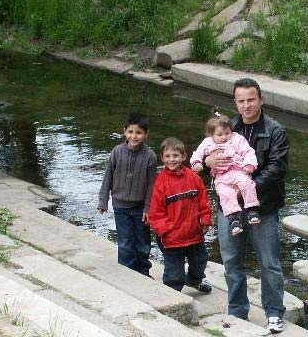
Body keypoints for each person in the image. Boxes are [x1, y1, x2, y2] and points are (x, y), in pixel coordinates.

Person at [202, 78, 289, 333]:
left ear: (261, 99)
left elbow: (277, 168)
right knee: (231, 261)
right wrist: (207, 162)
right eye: (241, 101)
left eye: (251, 99)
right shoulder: (224, 128)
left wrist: (246, 187)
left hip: (263, 207)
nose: (246, 105)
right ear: (235, 103)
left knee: (269, 263)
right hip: (228, 208)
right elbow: (208, 165)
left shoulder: (275, 131)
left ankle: (274, 312)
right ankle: (238, 311)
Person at [148, 137, 213, 293]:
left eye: (175, 156)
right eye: (168, 156)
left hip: (194, 233)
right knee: (174, 271)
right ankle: (173, 294)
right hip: (172, 238)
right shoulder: (160, 182)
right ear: (162, 158)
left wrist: (205, 220)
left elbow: (204, 202)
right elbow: (156, 213)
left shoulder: (193, 177)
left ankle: (194, 280)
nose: (172, 160)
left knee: (200, 261)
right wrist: (167, 230)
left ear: (184, 156)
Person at [98, 112, 157, 277]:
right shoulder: (117, 152)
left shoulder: (150, 156)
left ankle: (143, 271)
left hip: (140, 208)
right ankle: (127, 273)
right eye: (131, 132)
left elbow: (151, 185)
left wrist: (148, 208)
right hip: (120, 206)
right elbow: (108, 176)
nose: (134, 136)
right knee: (125, 241)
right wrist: (103, 200)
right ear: (125, 131)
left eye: (138, 132)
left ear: (146, 134)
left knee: (143, 242)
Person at [190, 114, 259, 236]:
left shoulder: (237, 138)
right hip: (221, 176)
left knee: (246, 183)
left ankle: (252, 209)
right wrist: (196, 163)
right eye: (220, 135)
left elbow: (248, 151)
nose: (224, 137)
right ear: (211, 134)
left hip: (238, 171)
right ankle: (234, 219)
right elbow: (197, 153)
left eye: (227, 133)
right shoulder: (207, 143)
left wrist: (249, 164)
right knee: (225, 194)